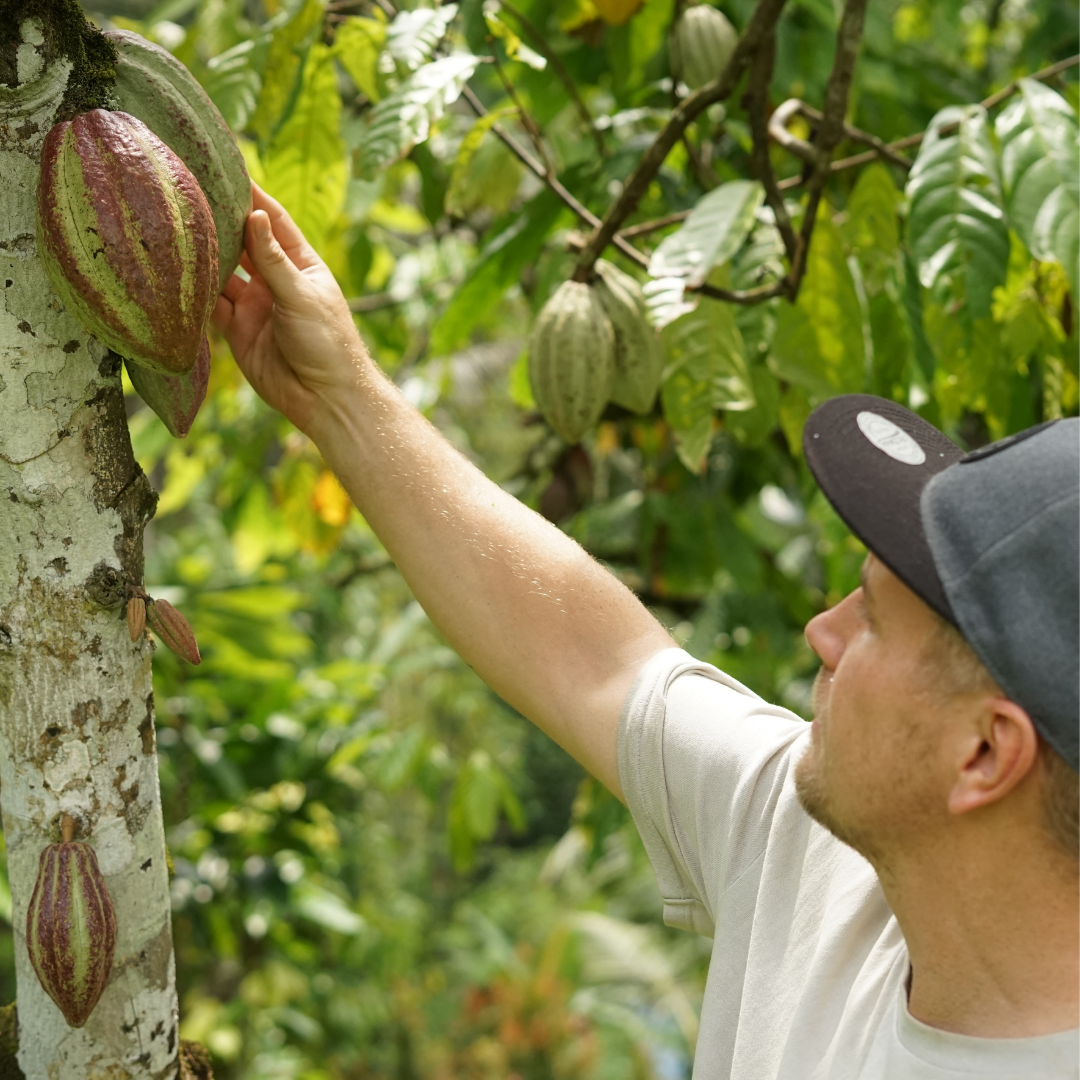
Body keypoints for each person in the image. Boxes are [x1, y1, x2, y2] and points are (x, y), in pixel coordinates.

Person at [213, 184, 1080, 1080]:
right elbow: (591, 657)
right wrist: (341, 395)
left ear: (984, 752)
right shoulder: (822, 861)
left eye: (872, 621)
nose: (822, 631)